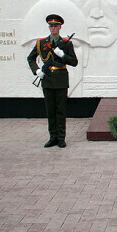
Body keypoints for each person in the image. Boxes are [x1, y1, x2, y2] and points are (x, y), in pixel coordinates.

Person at [27, 14, 78, 148]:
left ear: (60, 27)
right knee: (50, 109)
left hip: (60, 78)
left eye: (56, 26)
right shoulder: (41, 43)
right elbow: (31, 58)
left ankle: (61, 137)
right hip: (47, 78)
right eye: (51, 26)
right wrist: (37, 71)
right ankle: (52, 137)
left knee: (60, 109)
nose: (53, 28)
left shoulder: (66, 43)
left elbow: (74, 62)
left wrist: (63, 56)